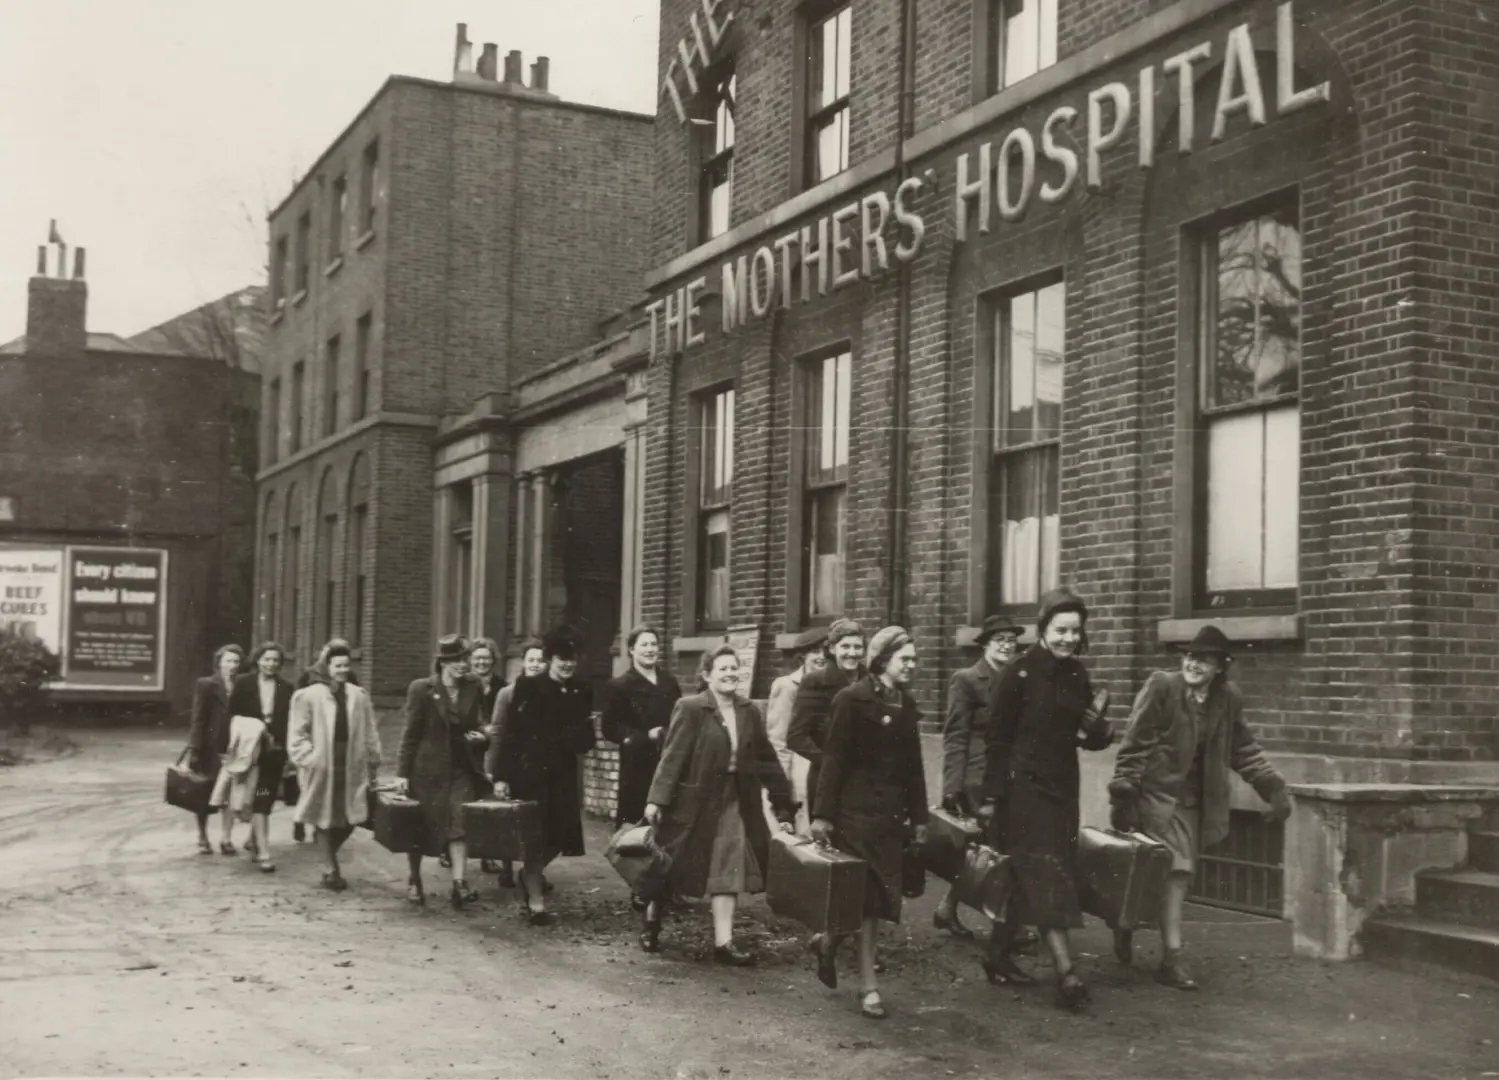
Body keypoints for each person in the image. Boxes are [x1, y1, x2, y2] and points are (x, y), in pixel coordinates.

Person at [1107, 625, 1291, 990]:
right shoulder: (1163, 687)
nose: (1193, 664)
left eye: (1204, 659)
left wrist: (1271, 786)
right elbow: (1135, 743)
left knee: (1163, 874)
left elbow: (1243, 749)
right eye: (1190, 656)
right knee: (1175, 872)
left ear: (1220, 666)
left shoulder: (1227, 698)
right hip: (1156, 798)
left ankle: (1128, 927)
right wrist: (1124, 792)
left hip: (1194, 802)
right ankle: (1170, 957)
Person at [981, 587, 1113, 1011]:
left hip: (1062, 789)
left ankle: (996, 954)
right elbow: (997, 740)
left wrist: (1099, 731)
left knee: (1031, 874)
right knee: (1046, 874)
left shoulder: (1077, 675)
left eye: (1075, 631)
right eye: (1060, 630)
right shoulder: (1017, 674)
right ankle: (1066, 973)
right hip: (1023, 791)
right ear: (1042, 630)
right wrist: (990, 798)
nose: (1068, 639)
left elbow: (1084, 736)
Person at [644, 645, 795, 962]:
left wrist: (783, 802)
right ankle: (652, 921)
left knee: (728, 868)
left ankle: (723, 944)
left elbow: (766, 760)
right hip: (692, 803)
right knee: (672, 866)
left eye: (733, 668)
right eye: (723, 668)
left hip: (734, 801)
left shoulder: (749, 711)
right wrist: (657, 800)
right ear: (707, 675)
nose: (730, 674)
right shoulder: (691, 708)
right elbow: (672, 757)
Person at [809, 626, 929, 1020]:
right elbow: (834, 759)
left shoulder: (905, 704)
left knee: (871, 904)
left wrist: (920, 818)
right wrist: (822, 815)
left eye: (914, 659)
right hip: (854, 815)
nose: (911, 665)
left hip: (889, 820)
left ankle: (828, 943)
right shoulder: (850, 699)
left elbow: (914, 768)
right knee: (864, 903)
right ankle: (869, 987)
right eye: (904, 659)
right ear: (882, 660)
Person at [488, 625, 595, 925]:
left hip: (564, 775)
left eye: (572, 659)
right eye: (562, 659)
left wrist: (576, 737)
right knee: (535, 837)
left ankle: (528, 873)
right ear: (550, 659)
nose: (567, 664)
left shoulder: (582, 689)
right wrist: (501, 776)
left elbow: (586, 737)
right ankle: (536, 902)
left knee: (561, 835)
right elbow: (512, 735)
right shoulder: (529, 687)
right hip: (531, 773)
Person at [933, 616, 1024, 938]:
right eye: (999, 639)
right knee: (990, 849)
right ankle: (1007, 925)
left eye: (1011, 640)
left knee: (990, 850)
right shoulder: (967, 679)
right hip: (978, 777)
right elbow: (955, 736)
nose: (1006, 646)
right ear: (985, 644)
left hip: (1010, 775)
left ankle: (948, 908)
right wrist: (952, 787)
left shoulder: (1018, 679)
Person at [394, 635, 491, 908]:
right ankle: (414, 879)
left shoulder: (473, 686)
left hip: (461, 768)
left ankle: (459, 884)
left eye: (465, 659)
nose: (463, 665)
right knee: (421, 826)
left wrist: (483, 735)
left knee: (460, 823)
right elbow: (410, 734)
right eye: (456, 660)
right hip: (427, 771)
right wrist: (402, 774)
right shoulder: (422, 689)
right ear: (443, 662)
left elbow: (480, 721)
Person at [288, 644, 383, 891]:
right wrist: (310, 758)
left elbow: (370, 730)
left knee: (351, 816)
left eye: (346, 665)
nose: (342, 670)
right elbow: (297, 733)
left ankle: (327, 854)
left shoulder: (358, 695)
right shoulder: (309, 695)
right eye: (337, 665)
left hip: (351, 762)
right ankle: (330, 868)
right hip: (322, 763)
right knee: (322, 814)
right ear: (327, 666)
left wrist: (373, 758)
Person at [601, 626, 683, 910]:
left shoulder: (669, 683)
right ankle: (639, 886)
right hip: (637, 765)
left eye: (653, 644)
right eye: (644, 645)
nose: (650, 649)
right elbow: (610, 727)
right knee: (637, 825)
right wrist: (643, 736)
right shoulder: (620, 685)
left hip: (667, 762)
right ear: (632, 650)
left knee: (668, 823)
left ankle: (667, 886)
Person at [484, 636, 547, 889]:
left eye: (540, 660)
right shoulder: (507, 694)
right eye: (531, 660)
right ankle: (507, 867)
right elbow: (498, 733)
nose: (535, 664)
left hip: (540, 768)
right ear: (524, 662)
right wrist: (493, 769)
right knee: (510, 818)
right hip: (513, 766)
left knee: (539, 822)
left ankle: (535, 872)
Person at [787, 618, 866, 817]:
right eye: (845, 646)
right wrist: (829, 765)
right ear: (832, 648)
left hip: (866, 783)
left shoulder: (871, 682)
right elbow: (796, 736)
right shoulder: (815, 682)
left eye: (858, 647)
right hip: (827, 783)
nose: (852, 653)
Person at [230, 642, 294, 874]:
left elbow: (290, 723)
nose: (271, 664)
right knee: (254, 798)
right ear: (258, 660)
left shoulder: (287, 688)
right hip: (250, 752)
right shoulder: (244, 683)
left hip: (273, 754)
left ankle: (259, 845)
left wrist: (288, 752)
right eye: (267, 659)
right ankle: (260, 847)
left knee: (264, 798)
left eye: (275, 660)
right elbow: (232, 714)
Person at [293, 638, 361, 843]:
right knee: (310, 787)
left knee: (330, 790)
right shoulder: (309, 675)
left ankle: (320, 827)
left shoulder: (350, 678)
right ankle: (301, 822)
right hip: (315, 739)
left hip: (338, 740)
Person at [764, 627, 828, 836]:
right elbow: (779, 740)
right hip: (799, 769)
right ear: (804, 656)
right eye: (815, 652)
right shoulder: (787, 686)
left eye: (825, 651)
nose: (821, 657)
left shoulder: (832, 683)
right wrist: (781, 790)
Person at [188, 644, 245, 855]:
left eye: (236, 661)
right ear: (219, 662)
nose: (232, 665)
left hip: (234, 746)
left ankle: (226, 838)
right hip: (210, 747)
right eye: (228, 661)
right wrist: (195, 748)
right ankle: (202, 836)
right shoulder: (206, 684)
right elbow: (198, 718)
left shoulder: (243, 685)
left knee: (229, 793)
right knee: (204, 791)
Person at [464, 637, 507, 876]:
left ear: (493, 660)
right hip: (468, 750)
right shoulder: (463, 684)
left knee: (489, 802)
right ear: (470, 660)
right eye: (477, 658)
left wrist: (490, 733)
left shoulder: (502, 686)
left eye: (486, 658)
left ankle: (487, 854)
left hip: (492, 751)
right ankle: (448, 849)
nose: (481, 662)